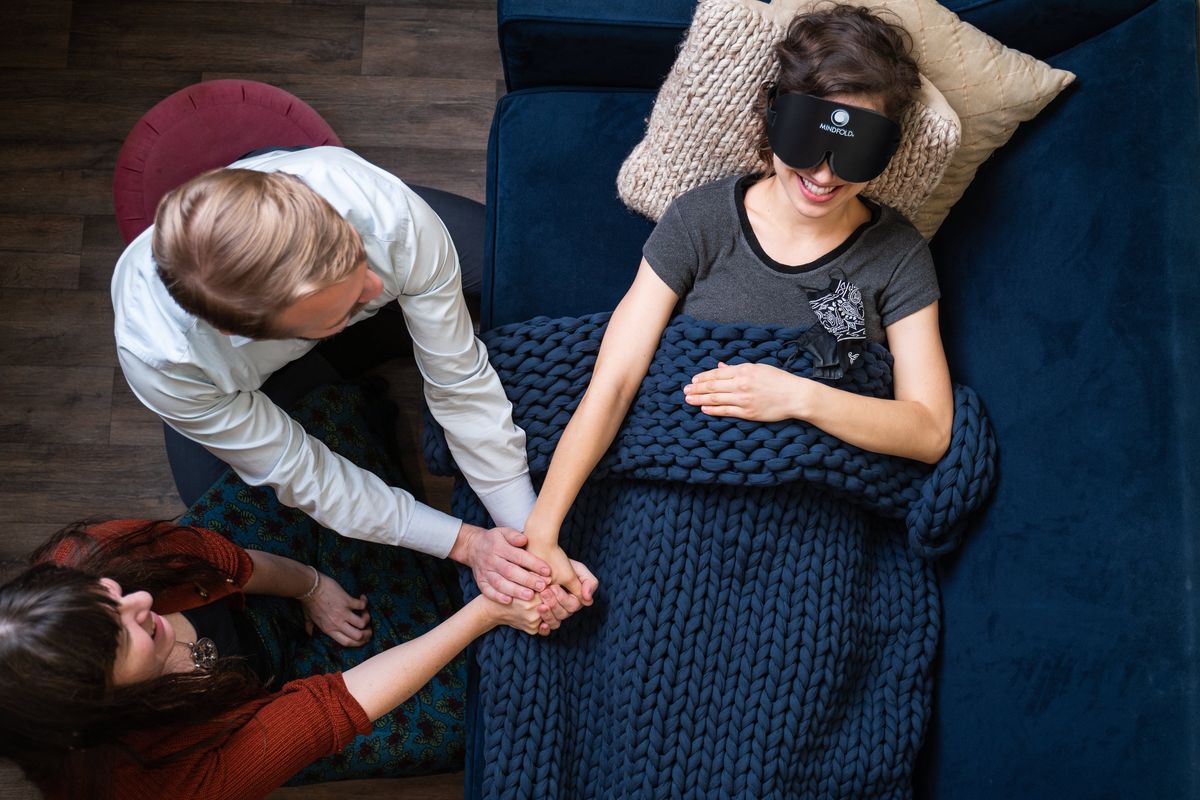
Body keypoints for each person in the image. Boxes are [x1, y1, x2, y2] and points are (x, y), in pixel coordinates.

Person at [522, 5, 954, 594]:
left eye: (851, 152)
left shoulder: (894, 255)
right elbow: (618, 378)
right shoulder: (701, 220)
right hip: (676, 507)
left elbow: (929, 430)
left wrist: (796, 395)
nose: (824, 177)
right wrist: (543, 532)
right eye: (808, 142)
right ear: (773, 121)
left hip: (809, 535)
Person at [110, 146, 596, 613]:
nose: (376, 288)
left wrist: (529, 535)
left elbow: (460, 384)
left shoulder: (380, 211)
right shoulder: (164, 365)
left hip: (384, 241)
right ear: (241, 333)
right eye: (349, 304)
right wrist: (466, 543)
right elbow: (308, 475)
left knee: (525, 269)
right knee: (232, 509)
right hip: (241, 382)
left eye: (358, 261)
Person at [0, 517, 547, 799]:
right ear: (99, 705)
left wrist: (310, 585)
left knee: (327, 453)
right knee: (463, 721)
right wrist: (486, 613)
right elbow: (331, 708)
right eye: (123, 637)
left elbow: (227, 561)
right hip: (259, 704)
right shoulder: (149, 785)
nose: (139, 600)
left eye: (110, 595)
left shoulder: (91, 556)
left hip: (255, 589)